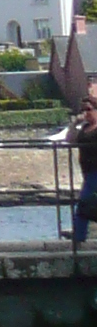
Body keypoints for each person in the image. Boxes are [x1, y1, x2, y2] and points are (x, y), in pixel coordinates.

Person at [72, 96, 97, 248]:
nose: (86, 113)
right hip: (87, 172)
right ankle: (78, 238)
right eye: (83, 110)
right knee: (86, 205)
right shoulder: (84, 129)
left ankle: (78, 238)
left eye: (88, 109)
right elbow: (70, 140)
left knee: (83, 204)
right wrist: (74, 124)